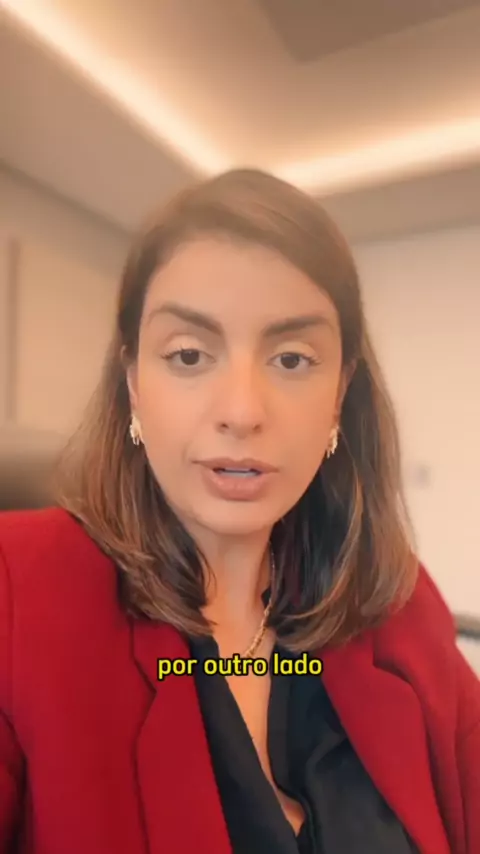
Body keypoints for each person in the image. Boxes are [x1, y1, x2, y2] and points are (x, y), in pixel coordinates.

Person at [0, 169, 478, 854]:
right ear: (133, 383)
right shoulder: (17, 590)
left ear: (339, 395)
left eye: (292, 359)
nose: (243, 411)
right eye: (190, 355)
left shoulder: (397, 601)